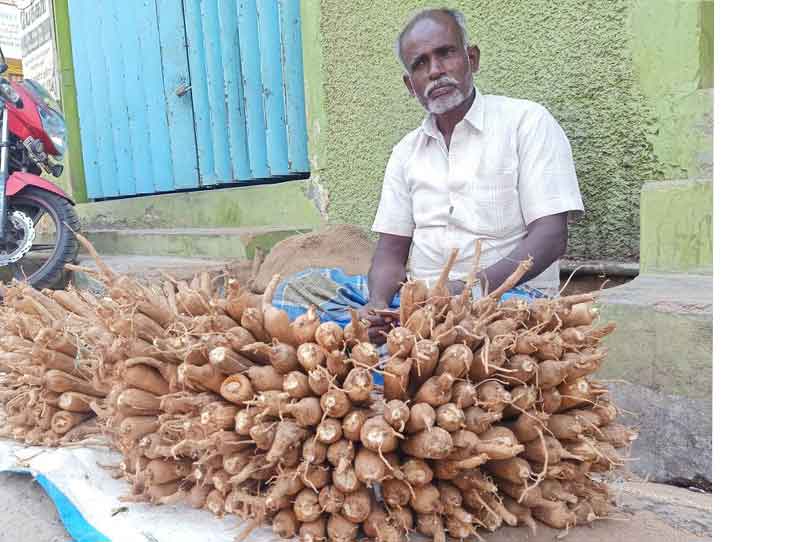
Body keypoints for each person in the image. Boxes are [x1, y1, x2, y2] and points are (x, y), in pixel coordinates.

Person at [358, 8, 584, 343]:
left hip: (506, 297)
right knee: (303, 290)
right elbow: (390, 252)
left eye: (446, 53)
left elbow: (550, 237)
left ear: (472, 58)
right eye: (420, 64)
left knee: (459, 345)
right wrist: (376, 306)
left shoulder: (527, 123)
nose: (435, 71)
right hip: (420, 301)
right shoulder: (405, 153)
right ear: (410, 86)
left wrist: (467, 291)